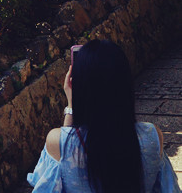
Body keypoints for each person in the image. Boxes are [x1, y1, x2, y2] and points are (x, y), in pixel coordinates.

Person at [28, 39, 180, 193]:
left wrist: (72, 105)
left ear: (81, 86)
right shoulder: (152, 136)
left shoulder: (58, 141)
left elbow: (46, 179)